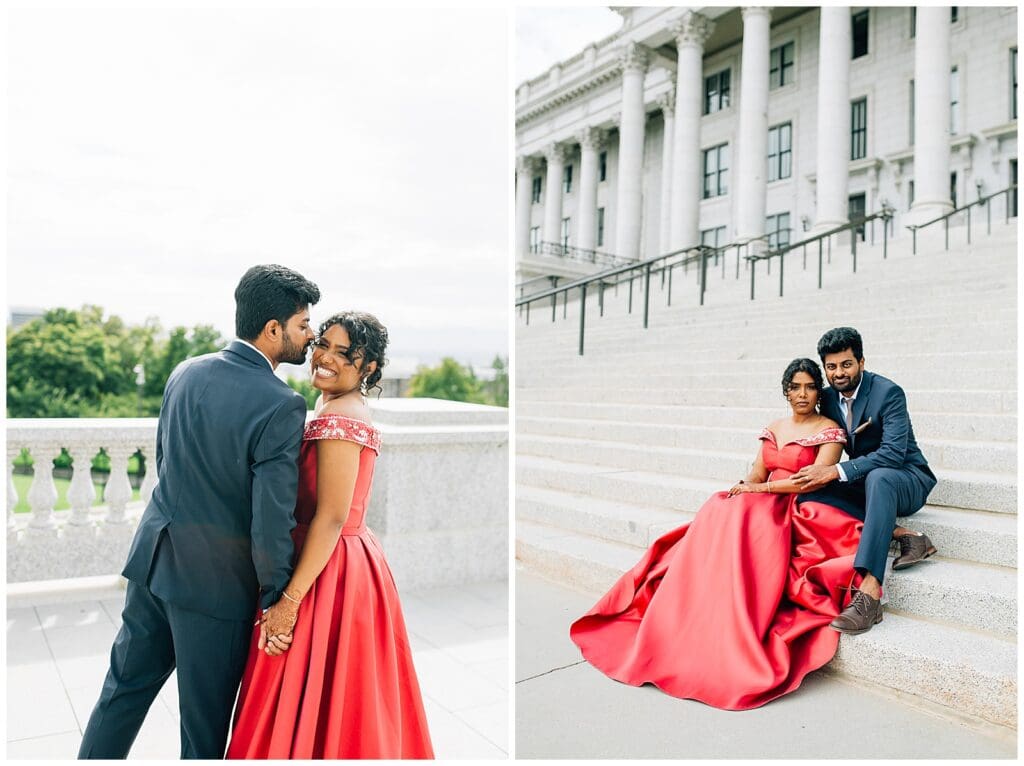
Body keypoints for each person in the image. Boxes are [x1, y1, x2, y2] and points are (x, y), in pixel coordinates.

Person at [78, 265, 321, 759]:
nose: (309, 335)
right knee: (203, 733)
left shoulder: (185, 371)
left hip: (153, 565)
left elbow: (167, 464)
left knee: (120, 694)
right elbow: (271, 519)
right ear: (273, 329)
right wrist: (278, 597)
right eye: (302, 324)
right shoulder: (282, 404)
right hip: (214, 591)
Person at [570, 358, 870, 710]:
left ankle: (735, 612)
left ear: (818, 391)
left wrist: (758, 493)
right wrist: (745, 487)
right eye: (795, 387)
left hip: (793, 504)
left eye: (808, 386)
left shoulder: (829, 429)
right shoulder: (774, 427)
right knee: (719, 504)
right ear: (785, 391)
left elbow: (811, 479)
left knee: (745, 515)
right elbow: (759, 472)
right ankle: (698, 601)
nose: (802, 393)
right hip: (761, 498)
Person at [226, 311, 434, 759]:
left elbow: (332, 518)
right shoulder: (331, 407)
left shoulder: (343, 419)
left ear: (369, 369)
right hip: (335, 558)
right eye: (324, 344)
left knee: (306, 684)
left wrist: (289, 603)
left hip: (329, 566)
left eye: (345, 354)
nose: (326, 358)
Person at [792, 327, 938, 634]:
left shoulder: (889, 393)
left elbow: (893, 455)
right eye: (831, 367)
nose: (839, 373)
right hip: (868, 480)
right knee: (809, 494)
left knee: (879, 477)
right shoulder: (829, 399)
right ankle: (905, 535)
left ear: (861, 361)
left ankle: (870, 592)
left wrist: (836, 470)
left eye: (846, 364)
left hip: (906, 479)